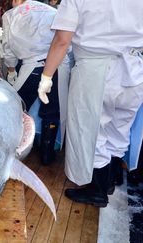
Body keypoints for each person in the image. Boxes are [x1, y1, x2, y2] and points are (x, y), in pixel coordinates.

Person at [39, 0, 143, 207]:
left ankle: (97, 190)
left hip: (95, 69)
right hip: (134, 69)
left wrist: (47, 76)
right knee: (119, 128)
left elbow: (62, 39)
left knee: (91, 132)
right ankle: (110, 182)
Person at [2, 0, 70, 165]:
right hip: (59, 66)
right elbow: (65, 40)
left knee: (16, 107)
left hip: (32, 67)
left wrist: (11, 69)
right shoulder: (51, 10)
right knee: (53, 111)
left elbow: (8, 48)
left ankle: (11, 150)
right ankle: (48, 154)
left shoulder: (10, 15)